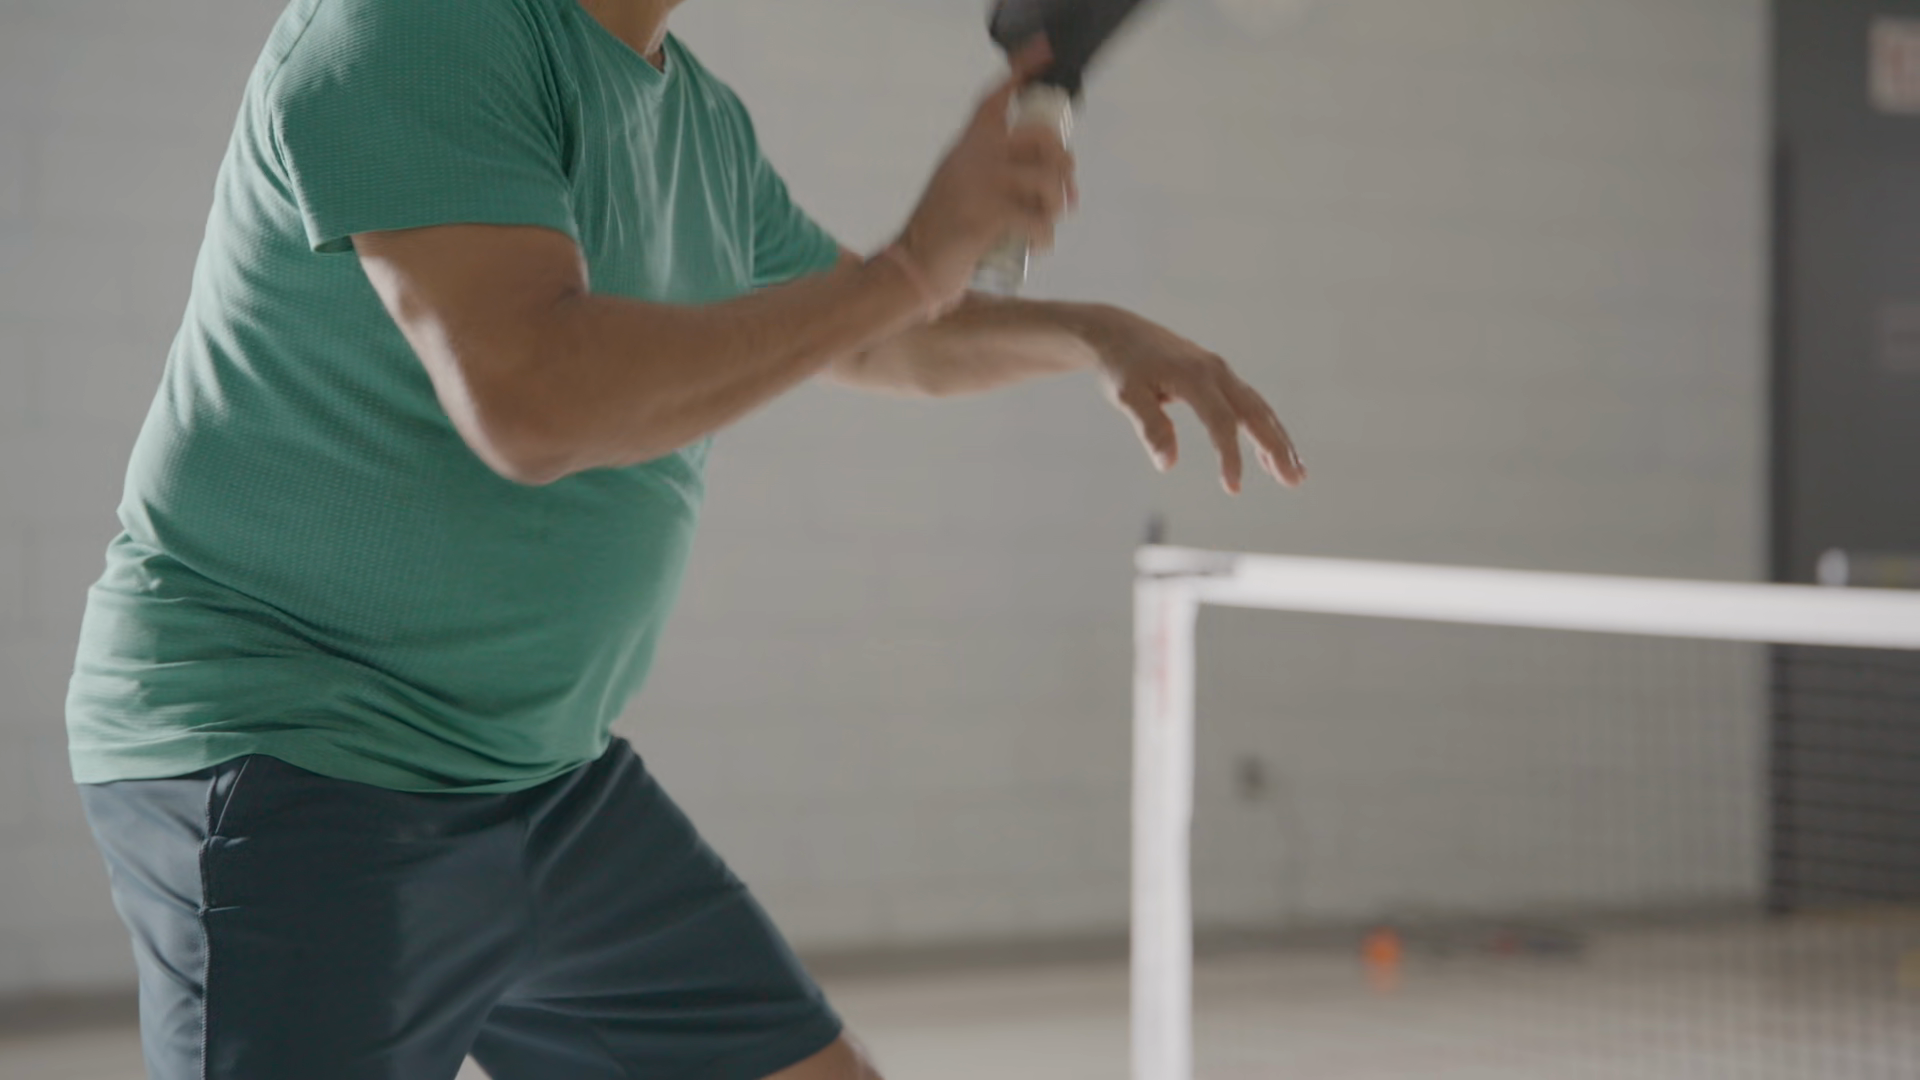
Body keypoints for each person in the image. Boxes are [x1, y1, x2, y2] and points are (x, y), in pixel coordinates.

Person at [65, 0, 1306, 1077]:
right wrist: (906, 271)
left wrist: (1094, 335)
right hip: (296, 757)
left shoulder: (698, 123)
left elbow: (883, 336)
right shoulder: (420, 26)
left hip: (539, 778)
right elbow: (531, 398)